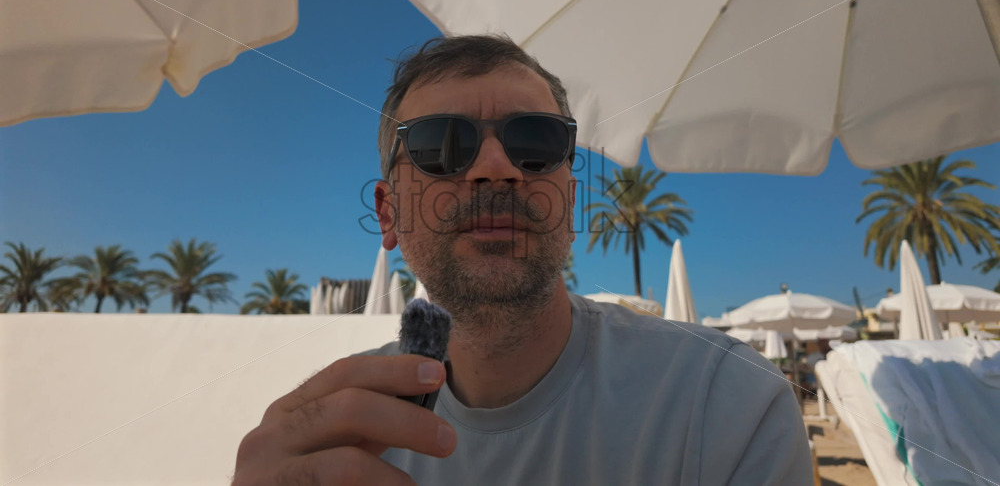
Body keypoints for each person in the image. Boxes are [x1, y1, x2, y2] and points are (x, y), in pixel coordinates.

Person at [232, 35, 813, 485]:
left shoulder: (724, 403)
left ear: (570, 202)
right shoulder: (342, 430)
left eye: (535, 143)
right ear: (388, 214)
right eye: (442, 145)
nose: (495, 167)